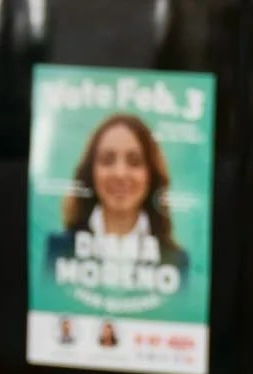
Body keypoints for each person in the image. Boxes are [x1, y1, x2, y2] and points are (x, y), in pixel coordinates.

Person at [46, 113, 190, 279]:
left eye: (134, 161)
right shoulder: (59, 249)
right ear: (91, 172)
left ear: (151, 175)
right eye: (107, 160)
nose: (120, 173)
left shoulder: (175, 261)